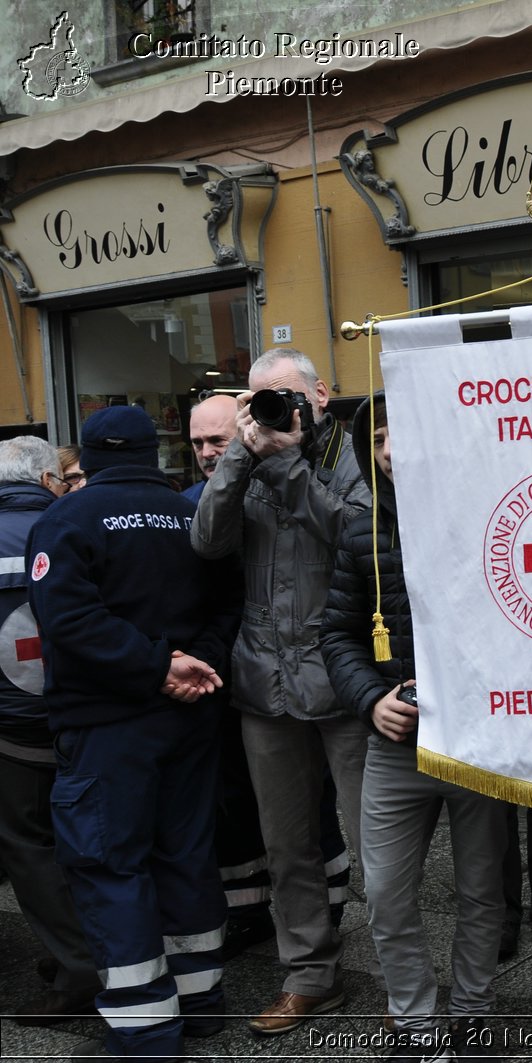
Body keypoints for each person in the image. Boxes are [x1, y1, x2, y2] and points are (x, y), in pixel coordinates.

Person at [28, 406, 241, 1058]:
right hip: (191, 719)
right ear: (155, 453)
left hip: (107, 726)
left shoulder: (65, 519)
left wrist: (156, 667)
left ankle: (145, 1030)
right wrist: (192, 664)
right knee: (186, 855)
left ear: (86, 458)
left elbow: (69, 620)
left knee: (111, 866)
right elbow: (229, 602)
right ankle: (201, 1001)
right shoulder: (189, 513)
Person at [190, 347, 371, 1035]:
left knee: (375, 845)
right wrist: (241, 453)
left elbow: (357, 536)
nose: (275, 409)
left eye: (285, 395)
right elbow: (208, 540)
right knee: (288, 845)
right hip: (265, 682)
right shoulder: (246, 455)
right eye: (259, 397)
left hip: (344, 678)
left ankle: (403, 984)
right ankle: (309, 977)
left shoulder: (350, 454)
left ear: (320, 394)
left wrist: (292, 461)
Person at [321, 393, 505, 1058]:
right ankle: (418, 1025)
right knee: (388, 896)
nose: (391, 449)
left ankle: (475, 1012)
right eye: (377, 438)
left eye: (402, 432)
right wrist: (371, 699)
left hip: (476, 741)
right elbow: (335, 634)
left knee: (483, 891)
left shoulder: (487, 515)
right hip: (394, 744)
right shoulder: (358, 526)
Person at [0, 437, 100, 1026]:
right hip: (84, 716)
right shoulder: (76, 526)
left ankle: (77, 966)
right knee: (92, 838)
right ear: (47, 480)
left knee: (30, 848)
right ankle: (109, 952)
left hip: (11, 730)